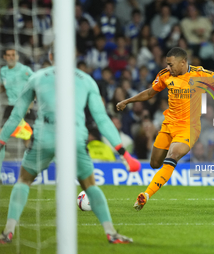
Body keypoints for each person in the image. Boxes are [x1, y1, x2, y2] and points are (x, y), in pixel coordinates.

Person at [0, 47, 141, 244]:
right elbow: (102, 119)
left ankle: (7, 232)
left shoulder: (37, 77)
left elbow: (17, 114)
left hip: (45, 136)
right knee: (90, 185)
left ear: (50, 57)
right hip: (74, 136)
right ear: (74, 56)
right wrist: (123, 153)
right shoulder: (86, 80)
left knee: (23, 179)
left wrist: (2, 139)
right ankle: (111, 233)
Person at [116, 47, 214, 211]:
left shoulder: (200, 74)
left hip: (189, 127)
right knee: (154, 163)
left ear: (183, 62)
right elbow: (150, 93)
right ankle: (165, 167)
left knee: (173, 155)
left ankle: (146, 195)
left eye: (171, 65)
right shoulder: (165, 75)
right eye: (167, 64)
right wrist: (127, 101)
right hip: (168, 125)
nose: (168, 68)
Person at [0, 48, 35, 170]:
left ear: (17, 57)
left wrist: (31, 102)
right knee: (1, 137)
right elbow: (3, 87)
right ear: (4, 57)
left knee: (28, 138)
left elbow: (37, 85)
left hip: (25, 106)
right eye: (8, 55)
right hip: (11, 106)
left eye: (13, 55)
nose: (11, 57)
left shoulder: (25, 70)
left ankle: (31, 168)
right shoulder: (3, 71)